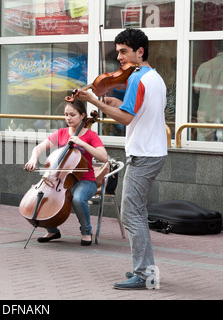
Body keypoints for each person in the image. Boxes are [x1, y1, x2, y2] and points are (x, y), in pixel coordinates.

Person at [75, 28, 168, 290]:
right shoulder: (153, 77)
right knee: (135, 212)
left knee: (132, 214)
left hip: (145, 154)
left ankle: (144, 274)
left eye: (124, 51)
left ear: (140, 51)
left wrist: (95, 101)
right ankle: (144, 268)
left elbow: (127, 119)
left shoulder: (138, 79)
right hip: (152, 151)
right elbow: (138, 112)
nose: (119, 57)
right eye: (117, 52)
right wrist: (115, 102)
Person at [24, 100, 108, 245]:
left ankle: (86, 232)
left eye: (72, 115)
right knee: (43, 197)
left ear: (82, 116)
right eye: (66, 115)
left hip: (86, 180)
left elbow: (104, 157)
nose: (68, 118)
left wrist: (82, 143)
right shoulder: (61, 133)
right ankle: (52, 230)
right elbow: (38, 148)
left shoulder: (91, 136)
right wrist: (33, 158)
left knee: (78, 199)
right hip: (60, 180)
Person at [194, 40, 223, 142]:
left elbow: (196, 89)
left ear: (215, 49)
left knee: (204, 143)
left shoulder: (204, 66)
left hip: (206, 111)